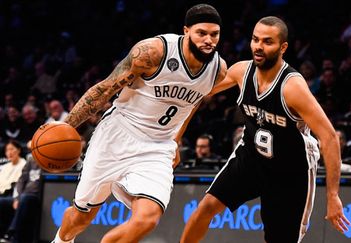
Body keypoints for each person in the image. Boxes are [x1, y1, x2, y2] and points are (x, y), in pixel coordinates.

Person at [52, 4, 227, 243]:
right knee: (81, 218)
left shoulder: (218, 70)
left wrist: (175, 140)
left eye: (214, 34)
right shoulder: (152, 52)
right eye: (202, 33)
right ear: (186, 31)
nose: (209, 40)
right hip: (118, 134)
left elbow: (192, 103)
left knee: (148, 218)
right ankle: (61, 240)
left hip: (157, 146)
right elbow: (105, 89)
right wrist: (66, 126)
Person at [180, 16, 349, 243]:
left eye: (267, 41)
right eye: (255, 39)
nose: (258, 46)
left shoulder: (293, 88)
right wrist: (174, 138)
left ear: (283, 47)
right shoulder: (241, 71)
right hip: (252, 156)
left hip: (290, 169)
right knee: (206, 207)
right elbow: (198, 93)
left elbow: (329, 138)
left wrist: (333, 195)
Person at [0, 152, 42, 243]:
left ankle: (11, 232)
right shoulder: (31, 160)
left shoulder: (50, 162)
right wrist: (17, 198)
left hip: (36, 196)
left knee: (25, 199)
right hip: (23, 196)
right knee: (2, 201)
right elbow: (21, 180)